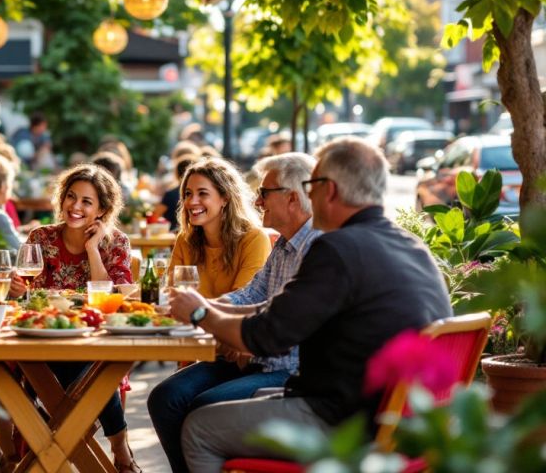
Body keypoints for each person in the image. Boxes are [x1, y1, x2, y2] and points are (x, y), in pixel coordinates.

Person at [168, 138, 452, 472]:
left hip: (346, 420)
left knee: (199, 427)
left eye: (311, 186)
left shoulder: (336, 248)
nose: (308, 196)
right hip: (406, 421)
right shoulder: (412, 245)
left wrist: (200, 313)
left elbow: (266, 336)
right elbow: (270, 308)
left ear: (329, 190)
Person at [147, 153, 322, 473]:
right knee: (165, 397)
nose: (257, 201)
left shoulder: (318, 247)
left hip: (286, 371)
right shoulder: (285, 244)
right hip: (252, 358)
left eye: (265, 193)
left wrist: (202, 313)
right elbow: (252, 294)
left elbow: (285, 323)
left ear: (293, 198)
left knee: (200, 408)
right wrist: (201, 307)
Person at [9, 164, 140, 473]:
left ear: (103, 210)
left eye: (87, 201)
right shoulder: (41, 237)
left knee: (91, 368)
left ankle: (102, 448)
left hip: (92, 342)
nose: (76, 207)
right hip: (42, 340)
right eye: (71, 197)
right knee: (85, 373)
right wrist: (16, 290)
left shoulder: (115, 242)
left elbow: (109, 301)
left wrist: (93, 249)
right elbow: (25, 298)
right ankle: (116, 448)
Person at [168, 157, 271, 298]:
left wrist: (198, 310)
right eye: (188, 194)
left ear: (225, 198)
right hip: (187, 319)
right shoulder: (186, 238)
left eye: (202, 193)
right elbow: (172, 293)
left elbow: (242, 300)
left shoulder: (254, 239)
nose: (192, 201)